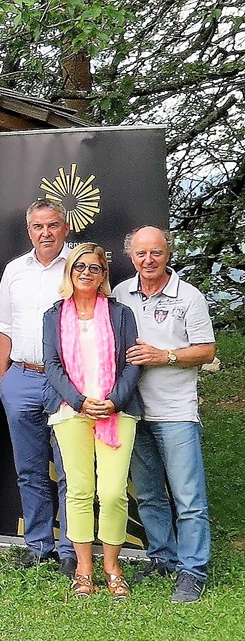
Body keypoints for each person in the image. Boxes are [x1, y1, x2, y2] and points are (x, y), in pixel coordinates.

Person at [114, 226, 217, 603]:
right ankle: (162, 557)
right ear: (131, 257)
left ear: (168, 253)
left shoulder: (189, 296)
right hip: (134, 409)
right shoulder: (121, 293)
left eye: (156, 252)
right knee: (150, 494)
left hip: (176, 410)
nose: (148, 260)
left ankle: (193, 570)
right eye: (141, 254)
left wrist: (165, 355)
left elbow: (206, 350)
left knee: (189, 497)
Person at [43, 243, 143, 598]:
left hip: (117, 411)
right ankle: (84, 569)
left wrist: (114, 402)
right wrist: (79, 401)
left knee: (113, 491)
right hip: (72, 411)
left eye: (94, 268)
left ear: (104, 275)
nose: (86, 273)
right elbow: (52, 364)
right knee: (80, 491)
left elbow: (133, 362)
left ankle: (112, 566)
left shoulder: (121, 313)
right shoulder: (54, 315)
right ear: (69, 272)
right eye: (79, 267)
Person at [0, 198, 76, 574]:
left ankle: (72, 549)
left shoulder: (79, 267)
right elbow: (3, 327)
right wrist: (4, 379)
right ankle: (38, 545)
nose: (46, 233)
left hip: (66, 382)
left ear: (65, 227)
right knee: (29, 470)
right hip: (22, 377)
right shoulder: (14, 270)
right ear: (29, 230)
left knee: (70, 469)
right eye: (38, 226)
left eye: (53, 225)